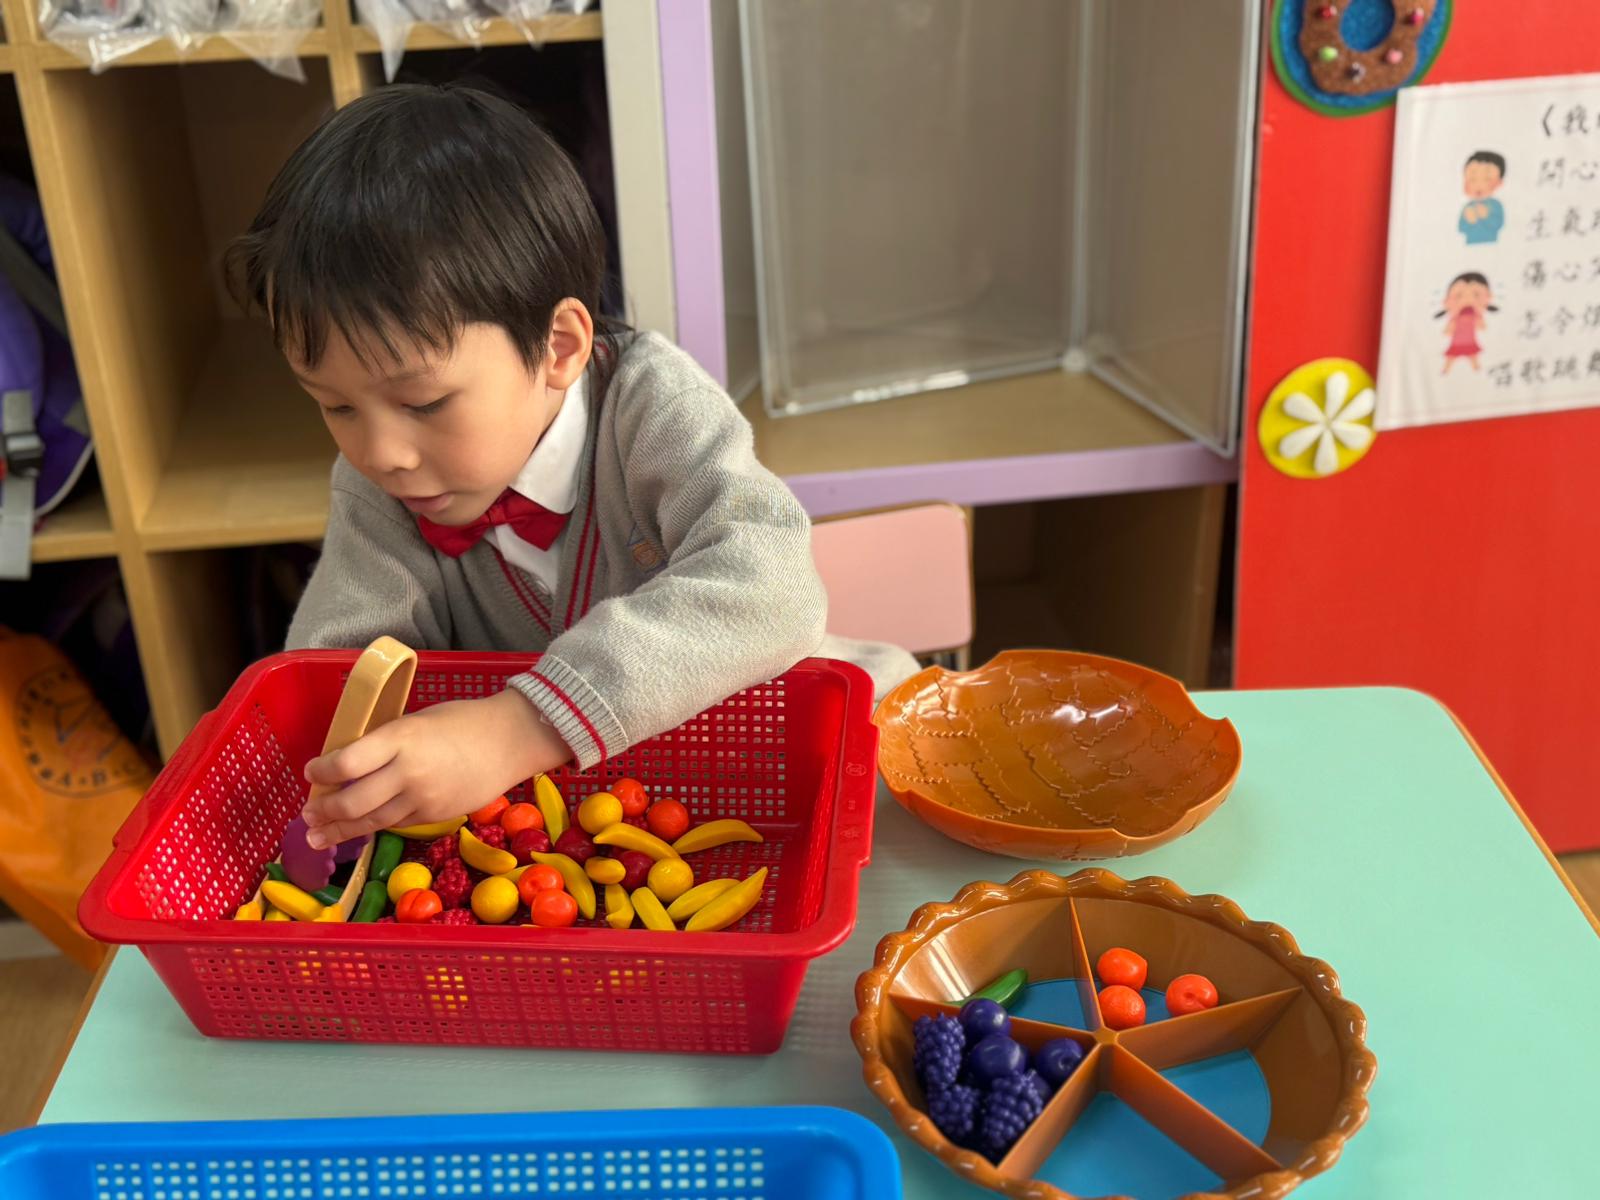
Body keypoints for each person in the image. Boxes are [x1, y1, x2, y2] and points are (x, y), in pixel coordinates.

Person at [225, 85, 917, 850]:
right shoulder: (380, 480)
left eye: (423, 402)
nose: (380, 453)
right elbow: (338, 678)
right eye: (335, 406)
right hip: (596, 821)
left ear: (559, 347)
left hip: (819, 758)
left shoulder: (652, 407)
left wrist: (520, 726)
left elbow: (773, 587)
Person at [1435, 272, 1497, 374]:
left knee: (1473, 356)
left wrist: (1480, 320)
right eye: (1458, 296)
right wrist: (1448, 329)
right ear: (1447, 300)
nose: (1467, 299)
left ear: (1488, 297)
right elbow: (1449, 329)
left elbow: (1482, 327)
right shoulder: (1455, 318)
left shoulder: (1475, 316)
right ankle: (1445, 371)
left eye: (1476, 295)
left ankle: (1478, 371)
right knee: (1451, 357)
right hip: (1457, 341)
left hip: (1470, 340)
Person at [1458, 151, 1506, 246]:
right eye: (1472, 179)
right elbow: (1461, 228)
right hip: (1470, 245)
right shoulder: (1469, 206)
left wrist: (1486, 217)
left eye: (1487, 179)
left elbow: (1498, 224)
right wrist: (1469, 220)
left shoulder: (1495, 204)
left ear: (1499, 183)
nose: (1479, 185)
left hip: (1492, 245)